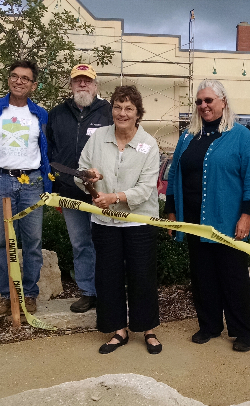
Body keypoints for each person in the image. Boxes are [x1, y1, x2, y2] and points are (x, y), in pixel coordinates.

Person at [165, 79, 250, 352]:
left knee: (233, 277)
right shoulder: (188, 136)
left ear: (223, 102)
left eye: (209, 100)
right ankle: (209, 325)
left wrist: (247, 215)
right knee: (202, 276)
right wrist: (171, 212)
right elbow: (174, 175)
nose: (203, 106)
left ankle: (242, 331)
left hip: (228, 221)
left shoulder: (241, 136)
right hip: (194, 220)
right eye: (199, 101)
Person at [76, 85, 162, 355]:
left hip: (139, 220)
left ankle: (147, 329)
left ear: (138, 114)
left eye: (128, 108)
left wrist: (114, 197)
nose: (121, 113)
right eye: (117, 107)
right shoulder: (98, 137)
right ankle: (118, 330)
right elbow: (81, 172)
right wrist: (89, 179)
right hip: (105, 222)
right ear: (111, 109)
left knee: (142, 276)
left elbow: (147, 188)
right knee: (108, 276)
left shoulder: (149, 144)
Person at [0, 60, 52, 316]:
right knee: (4, 242)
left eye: (25, 78)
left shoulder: (40, 114)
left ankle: (29, 294)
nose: (19, 81)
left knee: (32, 242)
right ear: (8, 80)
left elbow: (45, 148)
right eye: (15, 76)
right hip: (1, 181)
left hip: (31, 182)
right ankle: (8, 297)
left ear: (33, 85)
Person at [47, 64, 112, 314]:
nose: (82, 85)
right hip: (68, 191)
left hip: (102, 192)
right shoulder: (57, 114)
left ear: (95, 86)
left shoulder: (108, 112)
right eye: (77, 81)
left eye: (87, 81)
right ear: (71, 85)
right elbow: (50, 151)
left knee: (105, 242)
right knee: (80, 243)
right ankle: (88, 292)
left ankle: (107, 290)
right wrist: (54, 186)